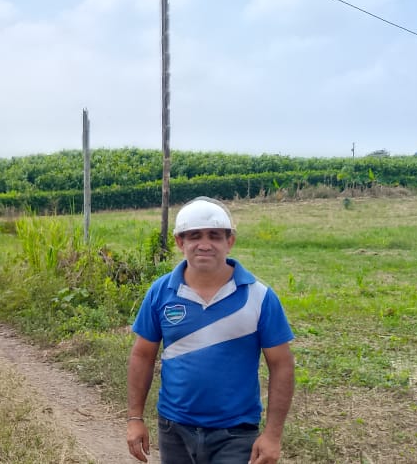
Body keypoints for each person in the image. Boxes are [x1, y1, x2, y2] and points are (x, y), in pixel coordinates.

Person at [126, 197, 295, 464]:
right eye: (194, 236)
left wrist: (273, 435)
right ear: (180, 242)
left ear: (230, 241)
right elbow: (142, 355)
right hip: (173, 428)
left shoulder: (259, 296)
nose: (204, 244)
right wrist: (135, 418)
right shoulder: (161, 292)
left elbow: (282, 365)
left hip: (236, 432)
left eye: (214, 236)